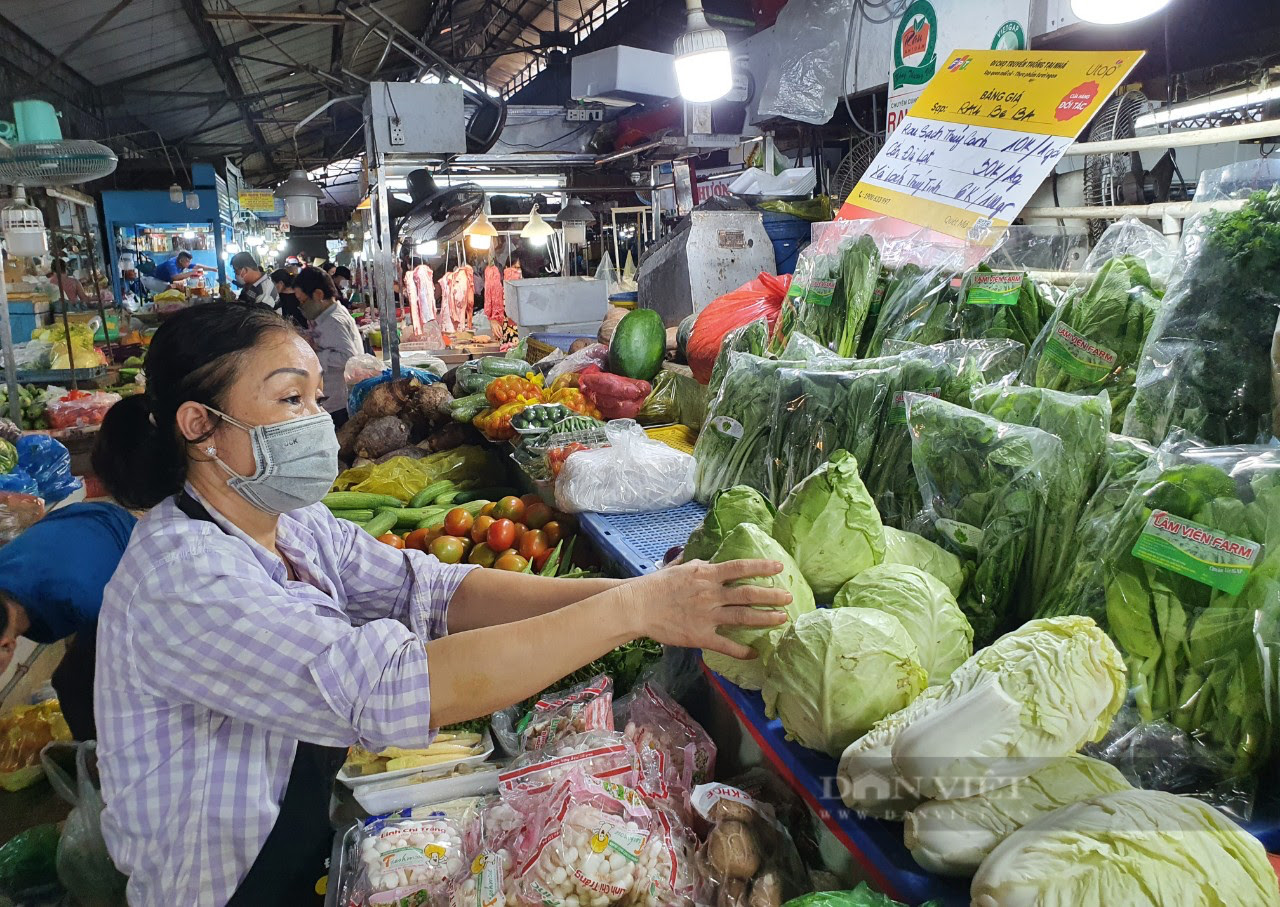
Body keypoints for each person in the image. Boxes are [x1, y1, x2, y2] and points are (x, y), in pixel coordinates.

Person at [89, 302, 787, 905]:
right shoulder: (185, 576)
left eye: (313, 398)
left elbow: (430, 589)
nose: (315, 421)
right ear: (197, 424)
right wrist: (634, 613)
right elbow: (394, 686)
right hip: (227, 885)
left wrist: (630, 592)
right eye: (289, 400)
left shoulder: (288, 520)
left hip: (296, 841)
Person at [0, 503, 137, 741]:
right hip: (78, 519)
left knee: (77, 686)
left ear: (7, 646)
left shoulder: (82, 600)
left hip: (129, 545)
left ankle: (100, 763)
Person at [294, 266, 363, 428]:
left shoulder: (334, 320)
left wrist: (314, 355)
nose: (301, 306)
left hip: (337, 401)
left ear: (318, 295)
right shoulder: (327, 316)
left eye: (303, 301)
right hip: (334, 397)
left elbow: (347, 358)